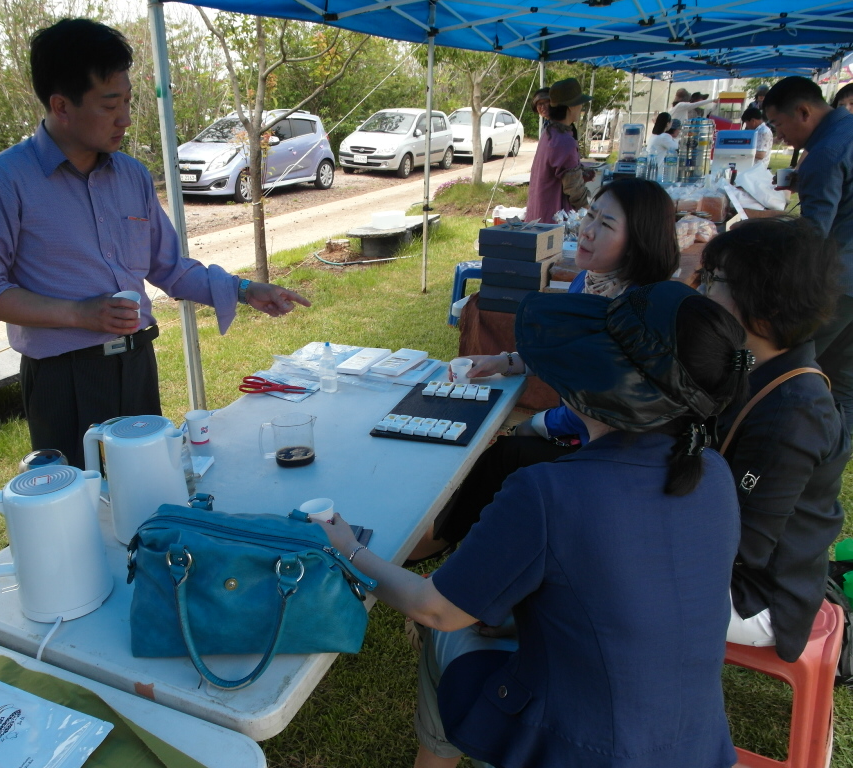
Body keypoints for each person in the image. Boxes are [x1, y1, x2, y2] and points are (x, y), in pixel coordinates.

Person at [322, 281, 749, 768]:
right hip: (697, 748)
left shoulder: (550, 493)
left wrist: (348, 549)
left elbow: (435, 609)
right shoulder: (713, 473)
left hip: (579, 751)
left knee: (445, 636)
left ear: (604, 386)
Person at [0, 19, 309, 468]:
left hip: (135, 362)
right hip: (64, 378)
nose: (124, 118)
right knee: (84, 507)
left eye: (127, 102)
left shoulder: (131, 175)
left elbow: (168, 267)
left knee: (147, 483)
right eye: (108, 105)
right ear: (61, 105)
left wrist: (242, 289)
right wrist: (78, 313)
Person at [407, 179, 679, 558]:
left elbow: (604, 411)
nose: (586, 229)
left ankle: (448, 543)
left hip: (615, 456)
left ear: (639, 243)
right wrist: (504, 361)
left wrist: (538, 423)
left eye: (606, 224)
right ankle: (455, 536)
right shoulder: (588, 283)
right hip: (582, 430)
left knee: (505, 457)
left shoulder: (638, 312)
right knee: (504, 447)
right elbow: (564, 355)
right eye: (590, 215)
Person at [699, 217, 848, 661]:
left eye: (717, 281)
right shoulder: (756, 364)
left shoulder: (793, 411)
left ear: (764, 309)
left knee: (594, 565)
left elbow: (745, 545)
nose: (705, 292)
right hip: (736, 561)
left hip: (758, 597)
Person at [763, 75, 853, 434]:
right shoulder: (845, 133)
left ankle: (789, 447)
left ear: (803, 111)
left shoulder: (826, 154)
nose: (780, 136)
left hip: (839, 282)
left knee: (793, 368)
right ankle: (831, 453)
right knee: (844, 378)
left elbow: (812, 236)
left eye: (779, 125)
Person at [524, 78, 592, 224]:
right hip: (553, 222)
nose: (581, 107)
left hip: (541, 216)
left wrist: (581, 172)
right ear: (570, 107)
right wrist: (592, 213)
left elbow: (561, 172)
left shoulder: (550, 132)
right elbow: (575, 190)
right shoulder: (563, 139)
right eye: (579, 103)